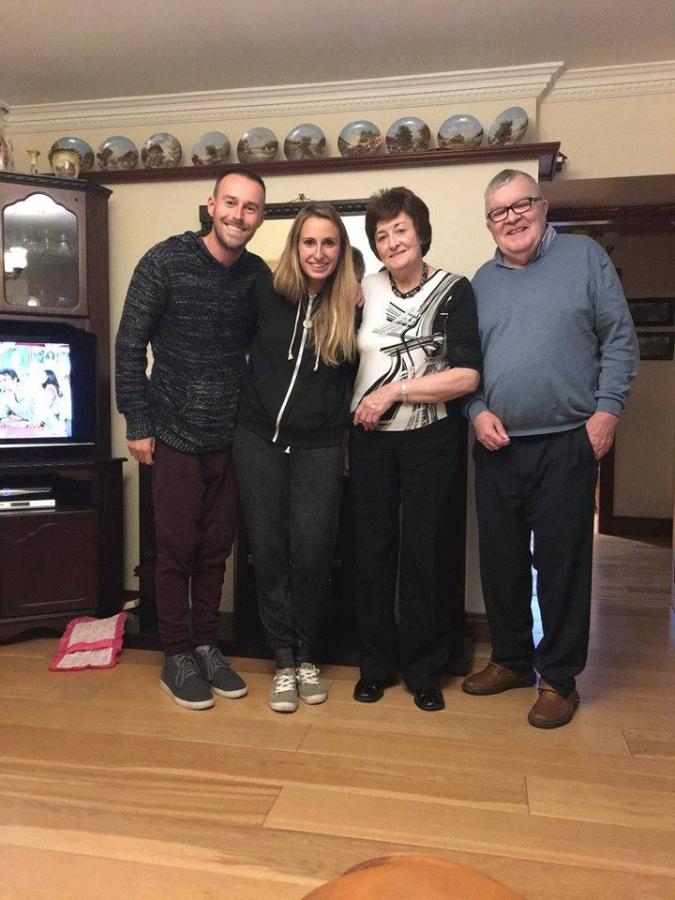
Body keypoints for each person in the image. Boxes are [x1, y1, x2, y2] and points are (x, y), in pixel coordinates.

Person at [462, 169, 639, 728]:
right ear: (489, 223)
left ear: (542, 206)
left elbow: (620, 340)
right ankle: (512, 659)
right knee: (502, 563)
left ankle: (559, 680)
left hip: (568, 441)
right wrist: (475, 411)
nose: (511, 218)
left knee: (561, 566)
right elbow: (463, 367)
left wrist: (606, 412)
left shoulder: (585, 258)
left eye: (521, 205)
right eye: (498, 212)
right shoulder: (479, 283)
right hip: (498, 445)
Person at [115, 168, 268, 710]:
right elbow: (130, 344)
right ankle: (175, 654)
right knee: (175, 550)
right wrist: (138, 422)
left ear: (260, 217)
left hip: (230, 438)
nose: (238, 215)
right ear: (210, 204)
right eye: (230, 203)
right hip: (172, 432)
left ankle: (206, 644)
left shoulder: (257, 277)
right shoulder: (165, 262)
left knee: (214, 551)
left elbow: (277, 341)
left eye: (250, 208)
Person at [349, 187, 482, 712]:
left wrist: (394, 391)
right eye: (381, 235)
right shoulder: (363, 289)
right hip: (370, 444)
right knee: (371, 552)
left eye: (400, 230)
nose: (392, 241)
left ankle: (424, 671)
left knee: (426, 554)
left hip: (432, 440)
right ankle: (375, 666)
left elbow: (468, 375)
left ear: (421, 233)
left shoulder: (455, 290)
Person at [234, 203, 358, 713]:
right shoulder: (265, 290)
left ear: (341, 250)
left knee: (311, 553)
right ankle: (283, 660)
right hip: (258, 440)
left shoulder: (352, 304)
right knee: (267, 550)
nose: (319, 252)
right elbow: (231, 349)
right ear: (295, 247)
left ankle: (307, 654)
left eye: (329, 243)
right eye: (310, 242)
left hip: (320, 447)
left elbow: (354, 379)